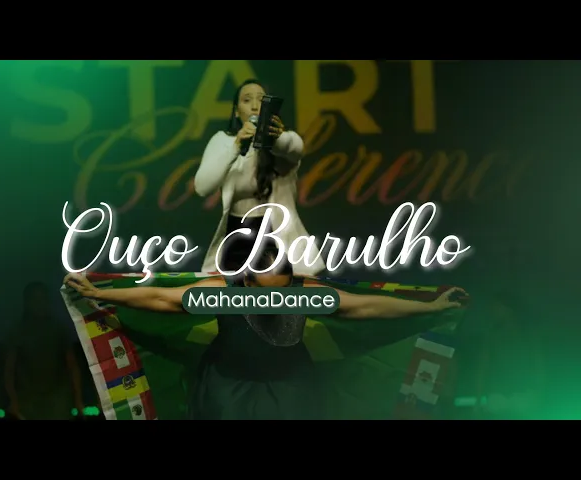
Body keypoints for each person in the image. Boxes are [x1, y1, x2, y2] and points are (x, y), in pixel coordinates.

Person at [64, 248, 466, 420]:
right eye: (264, 266)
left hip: (289, 389)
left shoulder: (304, 293)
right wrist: (100, 294)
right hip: (228, 390)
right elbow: (162, 298)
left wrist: (432, 308)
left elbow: (365, 306)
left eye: (280, 265)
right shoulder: (225, 293)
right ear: (249, 273)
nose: (275, 273)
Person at [194, 79, 325, 276]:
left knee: (276, 292)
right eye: (247, 100)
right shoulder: (223, 141)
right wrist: (236, 147)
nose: (255, 106)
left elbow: (295, 148)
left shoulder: (282, 142)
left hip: (274, 235)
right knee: (230, 293)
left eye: (261, 100)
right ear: (236, 111)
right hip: (236, 234)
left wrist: (275, 137)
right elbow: (202, 187)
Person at [5, 281, 85, 420]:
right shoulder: (17, 332)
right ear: (27, 302)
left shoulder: (58, 329)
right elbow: (9, 370)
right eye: (35, 299)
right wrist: (13, 401)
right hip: (29, 400)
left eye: (43, 299)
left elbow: (72, 366)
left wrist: (78, 400)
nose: (40, 303)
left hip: (58, 399)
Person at [474, 293, 545, 419]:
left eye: (497, 306)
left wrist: (540, 392)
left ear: (509, 309)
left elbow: (538, 364)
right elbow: (483, 368)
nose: (493, 310)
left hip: (524, 393)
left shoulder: (529, 334)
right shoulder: (492, 336)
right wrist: (478, 399)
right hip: (499, 393)